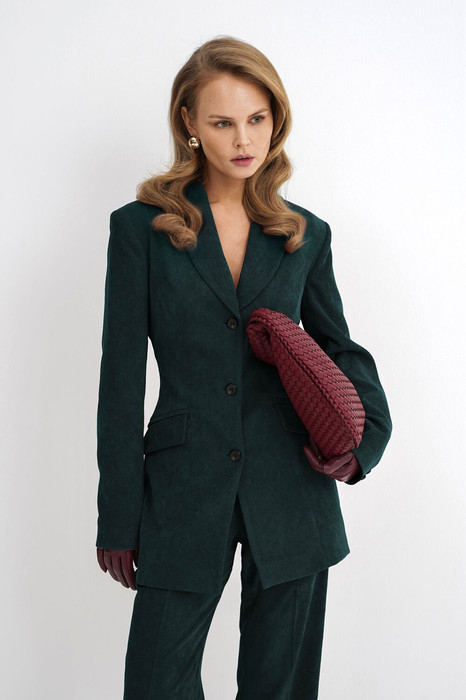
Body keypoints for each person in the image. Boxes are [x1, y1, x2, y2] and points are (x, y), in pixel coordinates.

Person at [95, 35, 392, 699]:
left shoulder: (305, 233)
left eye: (257, 118)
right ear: (189, 123)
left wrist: (364, 442)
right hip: (182, 486)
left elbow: (340, 347)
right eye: (223, 121)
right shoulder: (140, 229)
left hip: (293, 484)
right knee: (156, 682)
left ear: (275, 119)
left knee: (280, 687)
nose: (243, 139)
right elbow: (121, 380)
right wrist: (117, 515)